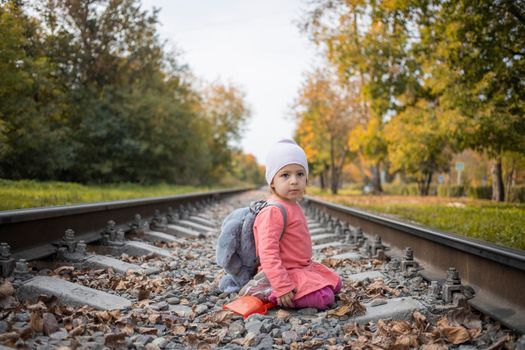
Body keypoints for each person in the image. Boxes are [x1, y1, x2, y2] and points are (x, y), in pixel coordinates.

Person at [252, 138, 342, 310]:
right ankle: (269, 292)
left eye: (300, 174)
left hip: (301, 267)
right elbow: (267, 253)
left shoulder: (293, 204)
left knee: (336, 283)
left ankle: (304, 286)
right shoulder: (273, 211)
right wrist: (282, 286)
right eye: (285, 175)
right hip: (282, 272)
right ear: (272, 181)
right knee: (324, 297)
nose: (294, 180)